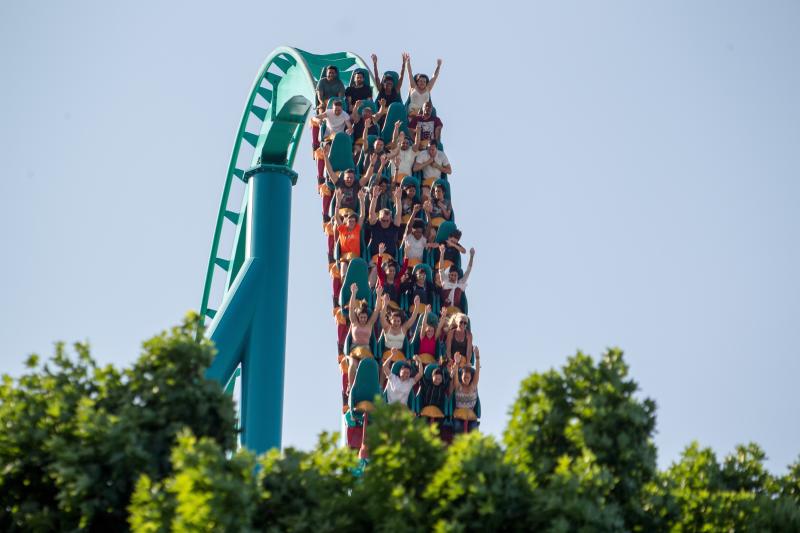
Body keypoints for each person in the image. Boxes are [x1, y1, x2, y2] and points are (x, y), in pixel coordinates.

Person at [346, 283, 384, 394]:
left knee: (374, 366)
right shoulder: (354, 322)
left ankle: (374, 389)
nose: (363, 319)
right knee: (353, 365)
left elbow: (377, 310)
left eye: (365, 317)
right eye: (361, 317)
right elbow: (351, 308)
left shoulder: (369, 324)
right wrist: (353, 293)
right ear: (358, 317)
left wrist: (378, 295)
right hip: (354, 350)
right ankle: (351, 387)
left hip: (366, 350)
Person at [333, 188, 367, 280]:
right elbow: (336, 216)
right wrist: (338, 200)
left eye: (353, 221)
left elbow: (362, 215)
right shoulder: (342, 229)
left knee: (354, 267)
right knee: (343, 265)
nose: (352, 222)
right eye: (350, 221)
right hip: (344, 257)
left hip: (355, 257)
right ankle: (344, 279)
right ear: (346, 222)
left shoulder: (357, 228)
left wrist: (362, 200)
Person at [367, 187, 403, 260]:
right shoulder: (375, 224)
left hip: (390, 260)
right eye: (383, 220)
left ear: (390, 219)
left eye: (387, 220)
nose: (385, 222)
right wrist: (374, 197)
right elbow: (371, 213)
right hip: (375, 258)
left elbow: (398, 214)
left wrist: (398, 199)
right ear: (379, 219)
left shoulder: (394, 226)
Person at [450, 347, 480, 429]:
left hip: (470, 416)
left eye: (468, 377)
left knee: (473, 428)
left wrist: (477, 358)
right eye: (464, 377)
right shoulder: (458, 386)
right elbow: (455, 375)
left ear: (470, 378)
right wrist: (456, 362)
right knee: (457, 426)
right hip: (459, 415)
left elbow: (477, 371)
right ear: (461, 377)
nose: (466, 379)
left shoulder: (473, 386)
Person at [439, 246, 475, 311]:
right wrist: (442, 253)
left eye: (455, 275)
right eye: (452, 275)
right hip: (445, 310)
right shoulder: (445, 282)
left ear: (457, 276)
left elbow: (468, 271)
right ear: (449, 275)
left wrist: (471, 256)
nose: (453, 277)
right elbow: (441, 269)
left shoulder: (460, 284)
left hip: (456, 311)